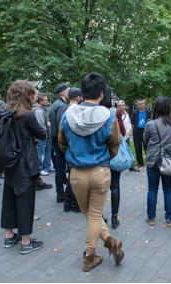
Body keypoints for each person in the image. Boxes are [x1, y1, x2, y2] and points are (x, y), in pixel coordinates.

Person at [58, 72, 124, 272]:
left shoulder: (67, 115)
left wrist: (75, 156)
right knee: (94, 214)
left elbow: (62, 143)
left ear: (81, 92)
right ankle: (98, 250)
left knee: (89, 213)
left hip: (76, 172)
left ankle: (93, 253)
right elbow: (115, 145)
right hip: (100, 171)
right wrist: (104, 160)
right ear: (102, 93)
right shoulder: (109, 116)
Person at [1, 80, 47, 255]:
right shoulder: (26, 114)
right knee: (25, 201)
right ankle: (26, 242)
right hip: (25, 163)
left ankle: (9, 236)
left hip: (8, 162)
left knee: (9, 198)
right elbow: (41, 133)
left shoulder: (3, 111)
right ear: (26, 94)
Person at [143, 96, 171, 227]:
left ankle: (151, 218)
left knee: (152, 189)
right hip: (169, 160)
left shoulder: (150, 124)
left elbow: (145, 140)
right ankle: (170, 218)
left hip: (153, 160)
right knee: (168, 189)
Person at [100, 87, 126, 229]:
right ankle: (114, 218)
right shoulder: (114, 112)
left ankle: (100, 216)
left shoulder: (93, 112)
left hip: (98, 156)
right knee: (115, 186)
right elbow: (122, 132)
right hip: (113, 155)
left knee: (99, 188)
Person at [57, 87, 82, 213]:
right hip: (76, 149)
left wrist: (65, 149)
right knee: (76, 179)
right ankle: (74, 205)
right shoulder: (79, 111)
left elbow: (60, 133)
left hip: (68, 149)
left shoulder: (63, 111)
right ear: (78, 97)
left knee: (72, 176)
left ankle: (68, 204)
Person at [49, 83, 69, 203]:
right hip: (61, 141)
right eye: (68, 90)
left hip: (55, 139)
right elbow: (63, 125)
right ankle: (64, 192)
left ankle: (60, 192)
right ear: (63, 93)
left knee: (60, 167)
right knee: (67, 167)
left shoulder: (54, 105)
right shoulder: (61, 106)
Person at [33, 93, 54, 176]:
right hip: (42, 136)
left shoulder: (41, 110)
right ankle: (40, 168)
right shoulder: (38, 111)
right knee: (40, 152)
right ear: (40, 101)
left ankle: (47, 166)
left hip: (46, 135)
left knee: (48, 150)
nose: (47, 101)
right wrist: (42, 135)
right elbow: (40, 125)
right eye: (45, 100)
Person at [130, 98, 151, 172]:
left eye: (144, 103)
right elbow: (132, 122)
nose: (143, 105)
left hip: (145, 131)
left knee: (147, 147)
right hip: (137, 131)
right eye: (141, 103)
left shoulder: (148, 112)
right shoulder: (135, 112)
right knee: (138, 148)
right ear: (138, 105)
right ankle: (140, 163)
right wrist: (134, 129)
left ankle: (149, 162)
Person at [118, 100, 135, 172]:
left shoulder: (126, 114)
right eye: (123, 105)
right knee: (119, 152)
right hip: (119, 137)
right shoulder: (116, 115)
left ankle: (131, 166)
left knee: (128, 151)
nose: (124, 107)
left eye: (124, 105)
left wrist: (128, 131)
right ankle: (119, 167)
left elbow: (129, 123)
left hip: (126, 136)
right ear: (118, 107)